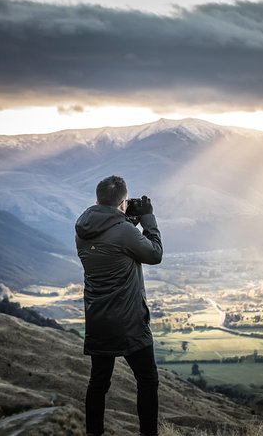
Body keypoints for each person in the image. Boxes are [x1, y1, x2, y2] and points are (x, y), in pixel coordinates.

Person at [75, 175, 163, 436]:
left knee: (99, 383)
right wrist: (147, 219)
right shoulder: (125, 231)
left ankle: (94, 433)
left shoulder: (82, 229)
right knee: (147, 380)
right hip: (129, 321)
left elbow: (111, 239)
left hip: (98, 318)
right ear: (123, 203)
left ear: (96, 200)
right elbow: (155, 254)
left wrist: (125, 220)